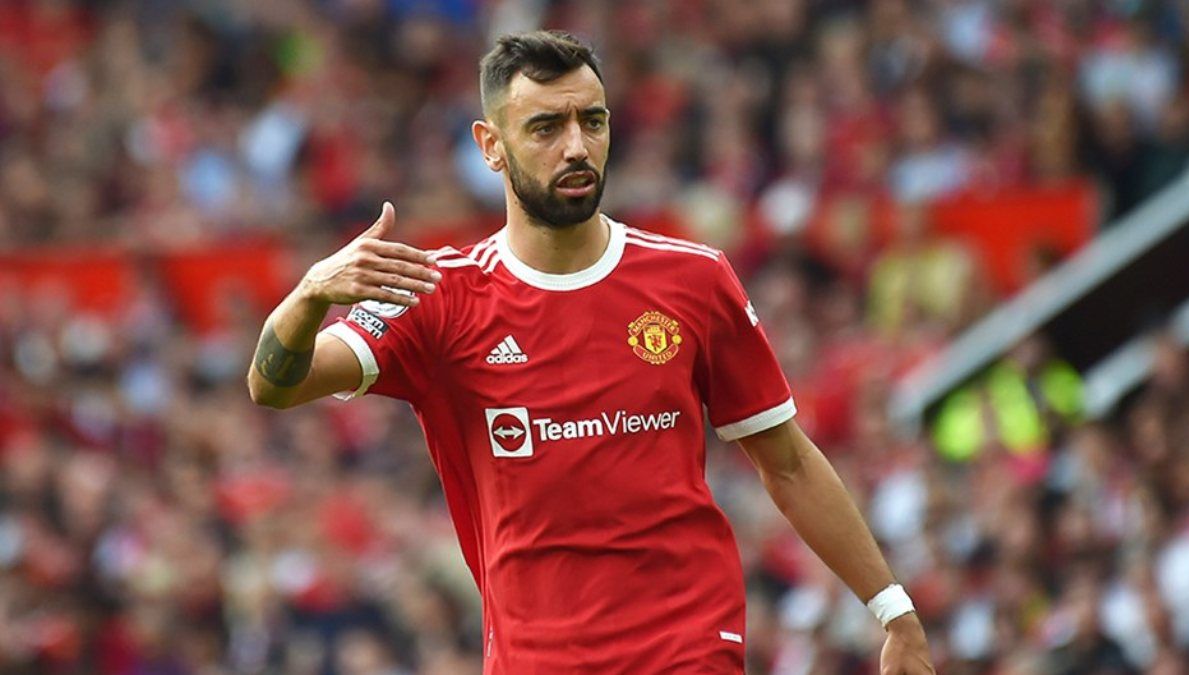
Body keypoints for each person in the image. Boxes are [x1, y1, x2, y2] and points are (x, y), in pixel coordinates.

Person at [247, 30, 934, 674]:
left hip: (688, 644)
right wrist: (309, 294)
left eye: (593, 122)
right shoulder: (439, 295)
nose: (576, 147)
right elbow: (274, 385)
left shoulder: (692, 279)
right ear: (491, 146)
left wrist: (893, 610)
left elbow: (787, 462)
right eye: (546, 127)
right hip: (536, 655)